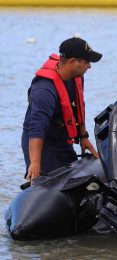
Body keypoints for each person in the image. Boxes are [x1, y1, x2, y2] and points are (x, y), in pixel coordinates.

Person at [22, 37, 102, 182]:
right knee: (51, 187)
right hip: (42, 144)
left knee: (75, 182)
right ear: (72, 62)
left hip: (63, 140)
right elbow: (36, 127)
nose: (89, 66)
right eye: (86, 62)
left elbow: (79, 107)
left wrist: (83, 137)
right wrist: (34, 163)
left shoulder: (77, 76)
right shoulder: (44, 89)